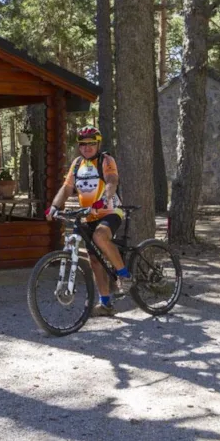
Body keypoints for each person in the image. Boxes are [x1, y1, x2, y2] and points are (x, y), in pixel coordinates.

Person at [45, 125, 128, 317]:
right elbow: (66, 189)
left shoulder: (106, 160)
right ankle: (105, 303)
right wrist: (55, 206)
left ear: (97, 144)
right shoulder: (76, 164)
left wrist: (103, 200)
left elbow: (111, 181)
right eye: (83, 144)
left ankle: (124, 275)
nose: (87, 148)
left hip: (110, 211)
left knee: (100, 236)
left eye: (91, 144)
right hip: (89, 215)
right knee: (94, 261)